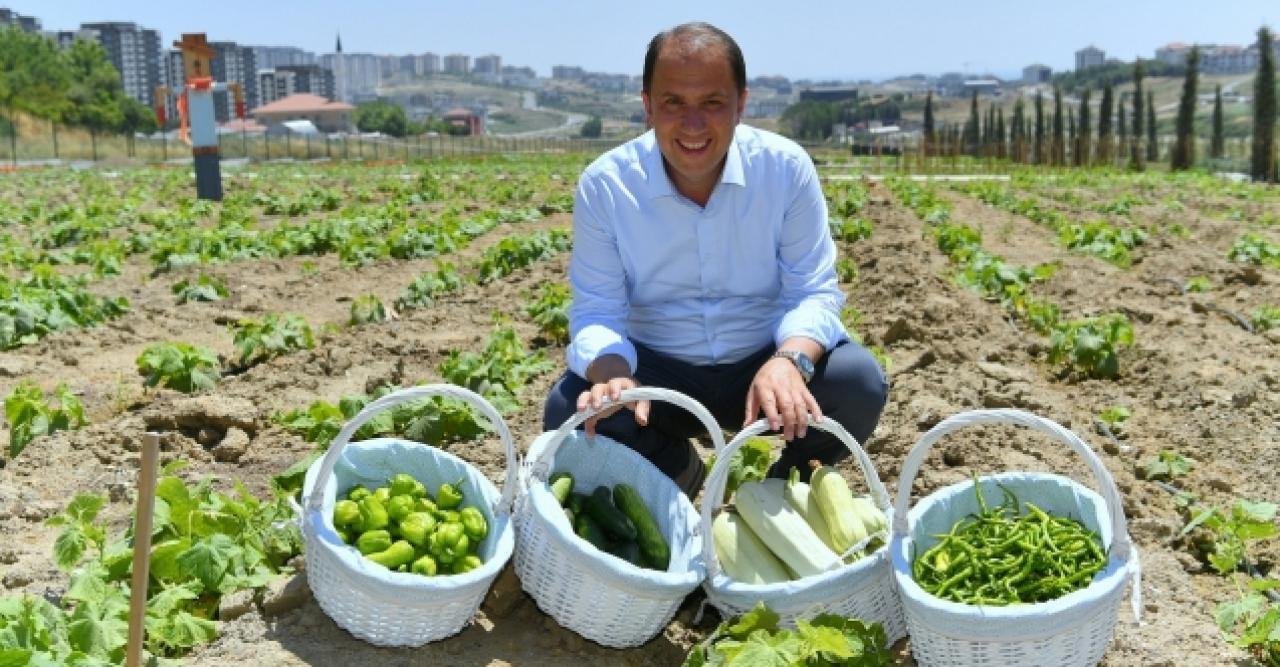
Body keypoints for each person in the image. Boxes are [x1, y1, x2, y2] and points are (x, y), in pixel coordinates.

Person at [542, 21, 888, 497]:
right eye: (673, 103)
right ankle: (678, 471)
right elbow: (597, 310)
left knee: (857, 382)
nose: (693, 125)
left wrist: (790, 360)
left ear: (740, 103)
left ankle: (785, 489)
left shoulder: (785, 170)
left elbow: (812, 291)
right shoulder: (607, 185)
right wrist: (614, 376)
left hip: (761, 363)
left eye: (712, 103)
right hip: (656, 372)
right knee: (570, 411)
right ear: (647, 105)